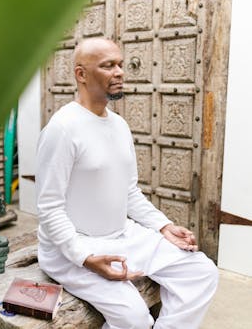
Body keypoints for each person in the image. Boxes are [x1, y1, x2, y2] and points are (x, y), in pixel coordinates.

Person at [35, 37, 218, 329]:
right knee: (134, 317)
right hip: (73, 248)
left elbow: (129, 191)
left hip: (123, 236)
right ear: (81, 74)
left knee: (202, 272)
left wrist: (164, 226)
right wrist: (85, 257)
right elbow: (49, 208)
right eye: (108, 66)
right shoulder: (62, 129)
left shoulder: (119, 125)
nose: (120, 72)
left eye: (120, 64)